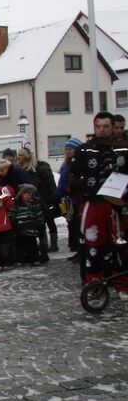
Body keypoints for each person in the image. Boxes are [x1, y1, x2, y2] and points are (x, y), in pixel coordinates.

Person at [69, 112, 126, 282]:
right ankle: (94, 280)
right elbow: (72, 176)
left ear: (112, 127)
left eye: (106, 126)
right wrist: (80, 185)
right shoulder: (84, 149)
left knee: (120, 244)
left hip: (118, 205)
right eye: (98, 126)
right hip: (93, 204)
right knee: (93, 241)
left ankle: (120, 282)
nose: (102, 130)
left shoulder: (123, 148)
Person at [56, 137, 83, 258]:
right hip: (66, 198)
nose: (68, 151)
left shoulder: (77, 164)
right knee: (70, 222)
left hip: (75, 198)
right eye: (66, 149)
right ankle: (74, 246)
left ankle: (78, 247)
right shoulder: (65, 164)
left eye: (71, 149)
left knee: (77, 223)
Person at [10, 184, 46, 266]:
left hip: (32, 229)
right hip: (21, 229)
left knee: (33, 245)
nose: (27, 196)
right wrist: (14, 225)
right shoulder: (17, 205)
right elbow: (12, 215)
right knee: (20, 246)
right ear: (21, 194)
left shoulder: (35, 204)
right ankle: (20, 259)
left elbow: (39, 216)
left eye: (29, 194)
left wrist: (40, 225)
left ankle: (34, 259)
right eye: (25, 194)